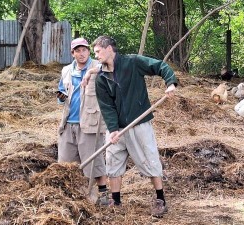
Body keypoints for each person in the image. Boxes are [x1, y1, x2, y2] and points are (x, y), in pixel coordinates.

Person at [90, 35, 177, 218]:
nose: (96, 55)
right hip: (118, 129)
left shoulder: (133, 62)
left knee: (149, 158)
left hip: (140, 122)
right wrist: (113, 129)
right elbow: (107, 106)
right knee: (113, 161)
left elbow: (160, 66)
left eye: (97, 51)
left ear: (108, 48)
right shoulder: (101, 78)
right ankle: (116, 201)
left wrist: (170, 84)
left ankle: (160, 199)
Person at [56, 37, 109, 206]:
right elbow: (60, 92)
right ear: (72, 53)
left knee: (95, 161)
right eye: (77, 51)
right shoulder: (66, 71)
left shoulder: (98, 67)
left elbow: (111, 77)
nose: (81, 53)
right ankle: (71, 196)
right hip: (68, 122)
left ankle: (103, 195)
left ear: (89, 51)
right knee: (65, 163)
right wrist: (61, 97)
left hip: (90, 122)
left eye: (84, 50)